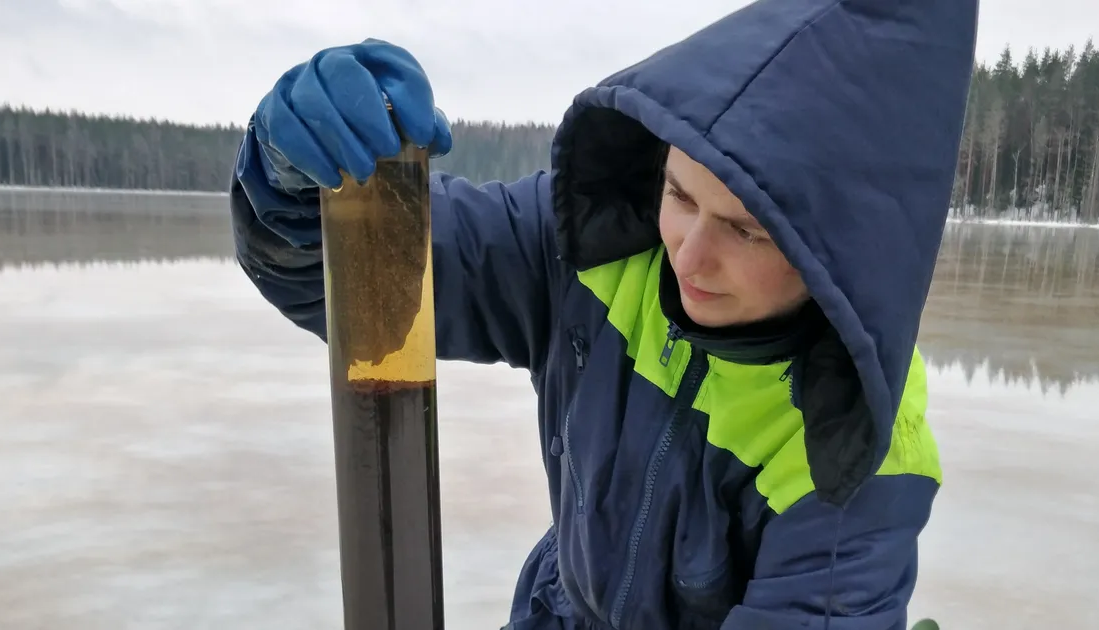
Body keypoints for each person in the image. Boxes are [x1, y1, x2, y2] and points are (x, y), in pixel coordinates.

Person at [228, 0, 979, 627]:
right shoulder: (597, 251)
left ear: (840, 252)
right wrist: (296, 184)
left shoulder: (853, 458)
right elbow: (358, 285)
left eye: (748, 229)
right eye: (682, 195)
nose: (687, 255)